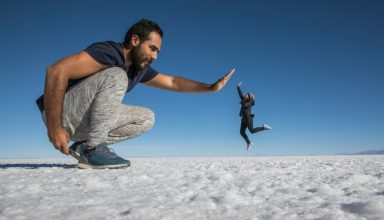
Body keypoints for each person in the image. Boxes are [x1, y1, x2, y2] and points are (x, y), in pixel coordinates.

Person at [36, 19, 235, 169]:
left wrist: (210, 88)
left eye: (158, 52)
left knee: (146, 118)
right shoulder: (110, 52)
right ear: (135, 40)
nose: (155, 56)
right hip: (60, 114)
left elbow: (173, 82)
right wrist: (54, 127)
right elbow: (56, 71)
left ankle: (84, 145)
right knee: (117, 76)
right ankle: (93, 149)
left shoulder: (139, 70)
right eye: (152, 48)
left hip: (82, 121)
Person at [237, 82, 271, 151]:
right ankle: (249, 143)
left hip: (248, 117)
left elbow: (245, 105)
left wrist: (242, 102)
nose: (246, 95)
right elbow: (241, 95)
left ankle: (264, 127)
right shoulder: (244, 100)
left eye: (247, 94)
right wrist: (238, 87)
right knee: (241, 132)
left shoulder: (251, 101)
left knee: (252, 131)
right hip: (243, 118)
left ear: (250, 97)